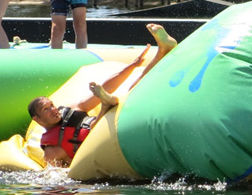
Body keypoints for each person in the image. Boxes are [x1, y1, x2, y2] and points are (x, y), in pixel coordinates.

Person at [27, 23, 177, 167]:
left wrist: (133, 65)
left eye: (51, 105)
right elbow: (60, 179)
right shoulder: (52, 151)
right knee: (100, 119)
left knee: (132, 89)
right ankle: (106, 104)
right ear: (37, 119)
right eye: (46, 109)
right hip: (101, 146)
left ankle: (162, 50)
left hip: (108, 124)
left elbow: (107, 86)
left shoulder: (70, 111)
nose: (53, 109)